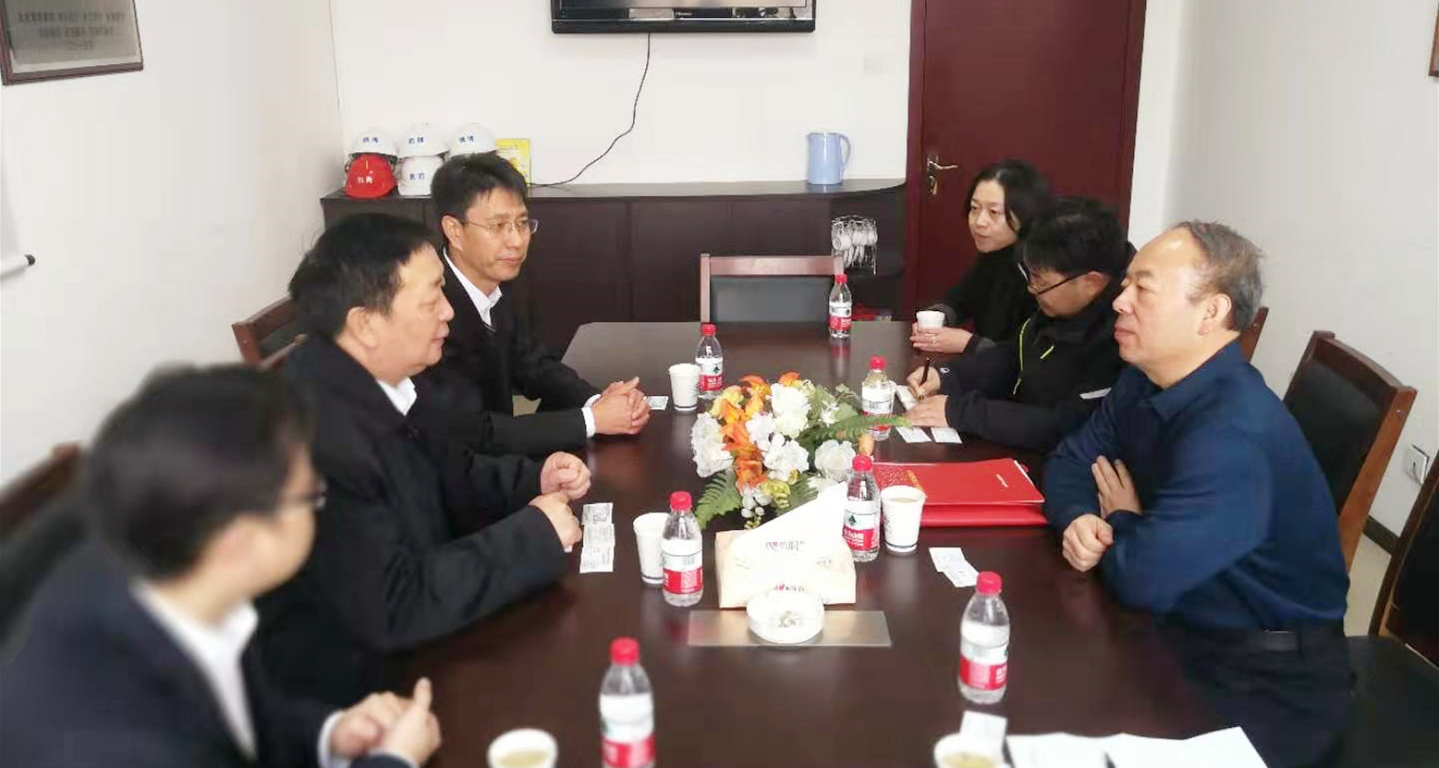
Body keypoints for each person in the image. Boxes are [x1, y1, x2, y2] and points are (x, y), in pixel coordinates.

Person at [0, 367, 441, 768]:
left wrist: (330, 735)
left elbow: (234, 719)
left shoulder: (173, 565)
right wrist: (394, 762)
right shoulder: (120, 745)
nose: (320, 506)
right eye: (312, 494)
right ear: (241, 541)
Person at [1043, 222, 1351, 768]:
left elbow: (1143, 578)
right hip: (1179, 628)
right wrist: (1078, 517)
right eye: (1126, 284)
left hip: (1262, 681)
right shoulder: (1146, 377)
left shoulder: (1234, 433)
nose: (1119, 301)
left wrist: (1124, 520)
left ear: (1210, 312)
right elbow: (1071, 459)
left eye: (1143, 288)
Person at [260, 213, 589, 706]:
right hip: (361, 697)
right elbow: (395, 604)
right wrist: (534, 535)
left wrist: (535, 477)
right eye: (433, 298)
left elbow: (451, 470)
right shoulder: (320, 440)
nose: (449, 312)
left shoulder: (385, 377)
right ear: (366, 324)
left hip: (427, 641)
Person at [427, 152, 649, 456]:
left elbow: (534, 366)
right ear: (455, 231)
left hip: (497, 463)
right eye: (498, 226)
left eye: (521, 223)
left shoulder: (497, 281)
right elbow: (477, 433)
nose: (517, 241)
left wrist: (597, 402)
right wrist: (592, 420)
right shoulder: (431, 310)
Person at [904, 197, 1131, 452]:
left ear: (1091, 282)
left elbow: (1065, 426)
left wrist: (962, 412)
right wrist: (949, 376)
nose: (1031, 289)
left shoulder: (1123, 334)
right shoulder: (1066, 300)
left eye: (1040, 282)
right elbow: (1018, 354)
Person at [911, 159, 1052, 356]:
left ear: (1025, 214)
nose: (979, 222)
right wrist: (937, 317)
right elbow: (961, 299)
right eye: (974, 208)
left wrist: (969, 343)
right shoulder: (996, 252)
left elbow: (1032, 354)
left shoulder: (1041, 270)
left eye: (993, 212)